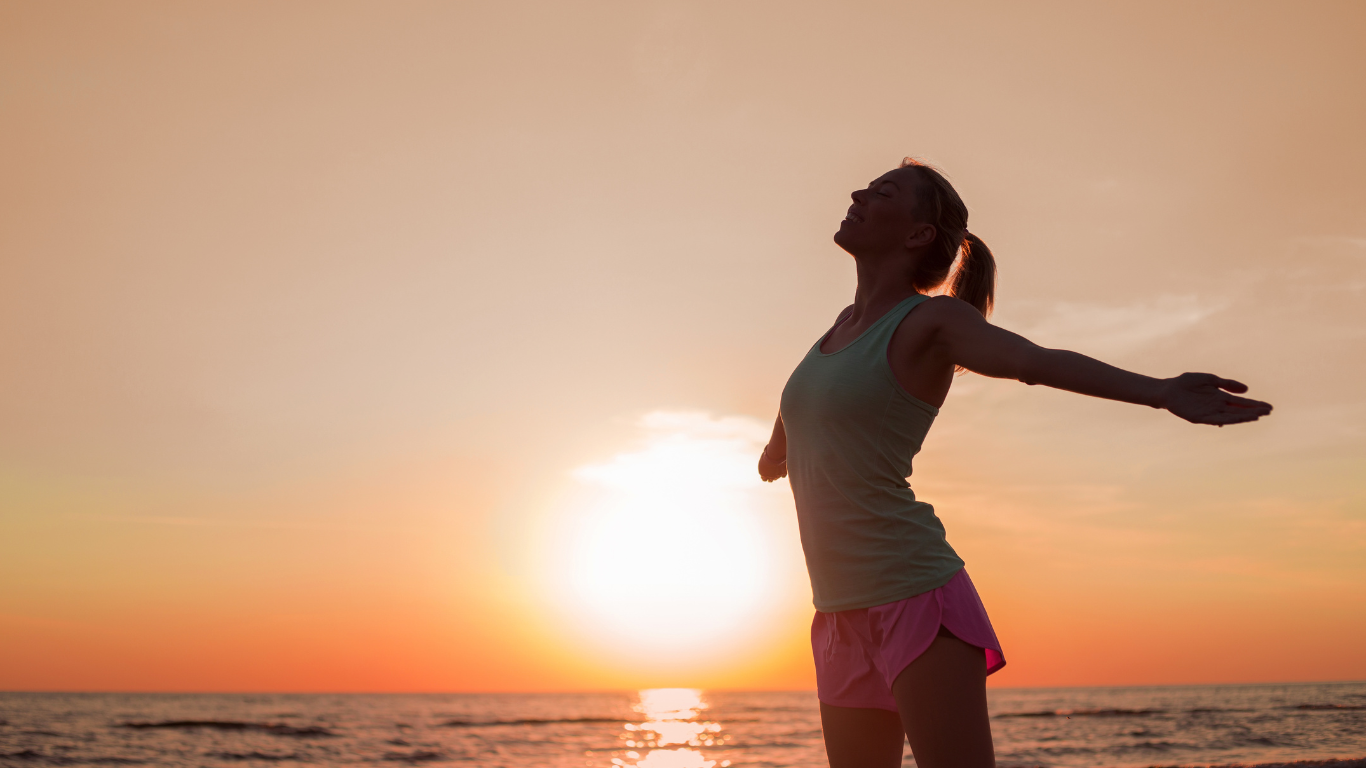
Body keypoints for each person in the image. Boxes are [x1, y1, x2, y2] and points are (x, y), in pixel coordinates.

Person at [756, 158, 1272, 768]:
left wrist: (1159, 391)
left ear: (919, 234)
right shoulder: (838, 331)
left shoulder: (933, 321)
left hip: (914, 596)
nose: (857, 193)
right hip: (838, 614)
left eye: (882, 191)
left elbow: (1037, 361)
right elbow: (808, 399)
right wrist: (777, 445)